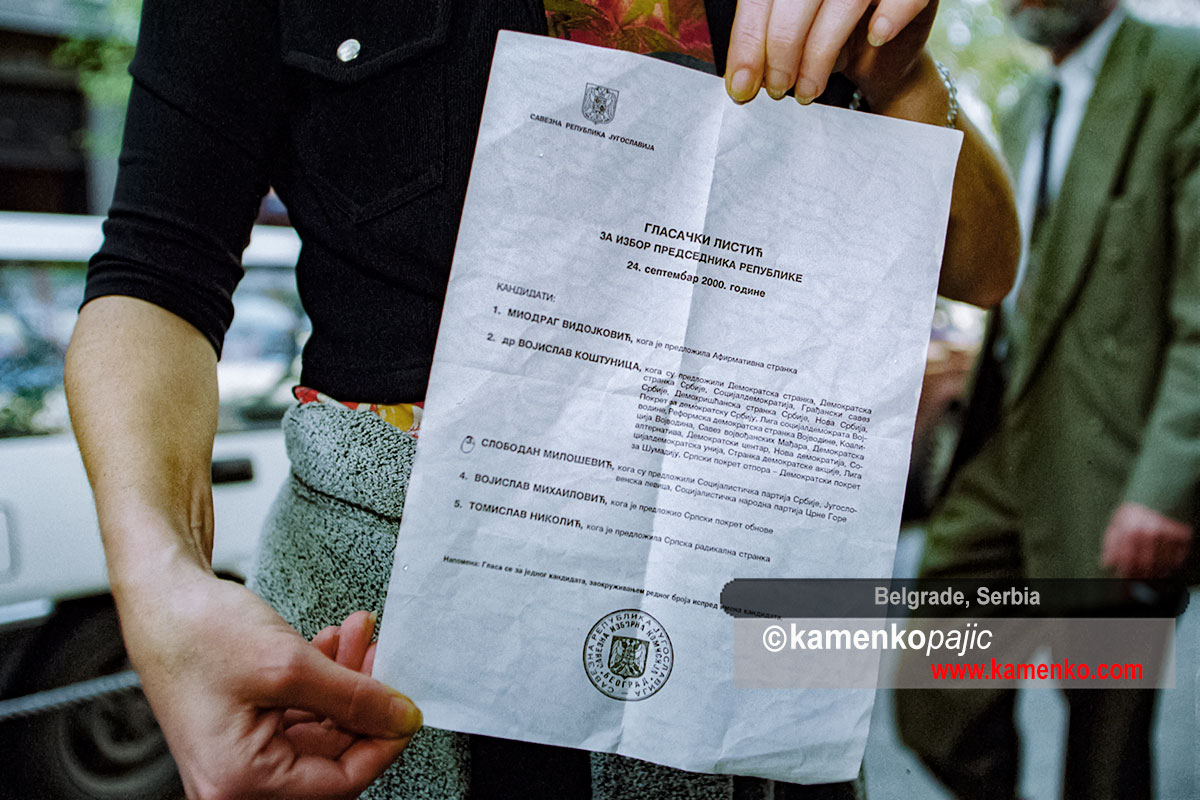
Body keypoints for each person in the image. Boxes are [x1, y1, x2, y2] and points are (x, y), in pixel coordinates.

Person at [64, 1, 1018, 798]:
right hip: (380, 649)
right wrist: (160, 590)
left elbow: (983, 268)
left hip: (735, 608)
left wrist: (898, 75)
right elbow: (156, 273)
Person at [895, 1, 1200, 798]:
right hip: (1002, 453)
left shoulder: (1181, 68)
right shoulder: (1030, 104)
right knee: (933, 698)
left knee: (1105, 755)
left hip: (1117, 467)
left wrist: (1166, 489)